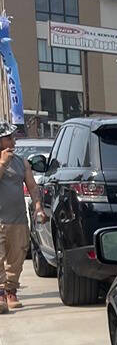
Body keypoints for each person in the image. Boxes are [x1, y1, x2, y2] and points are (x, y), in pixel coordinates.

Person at [0, 123, 45, 313]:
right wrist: (2, 163)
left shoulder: (21, 162)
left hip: (18, 219)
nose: (13, 141)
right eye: (8, 138)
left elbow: (32, 186)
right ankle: (1, 293)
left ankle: (11, 291)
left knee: (16, 258)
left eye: (13, 137)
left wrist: (38, 207)